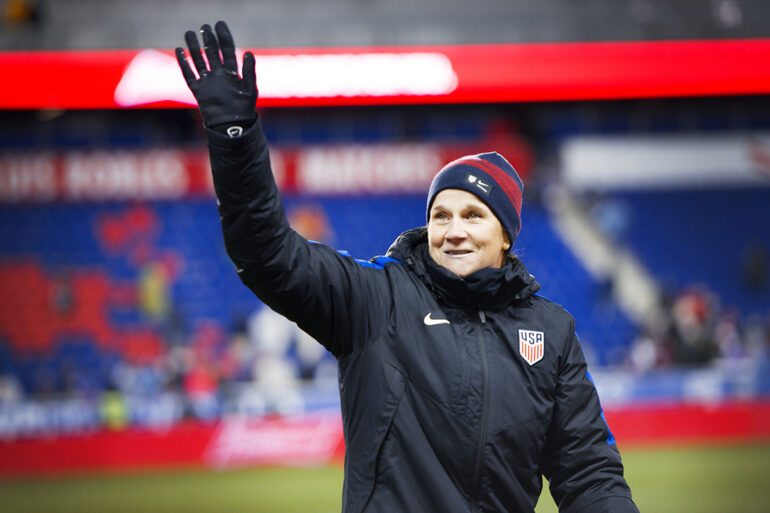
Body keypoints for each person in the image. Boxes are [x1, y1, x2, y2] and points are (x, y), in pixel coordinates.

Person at [176, 21, 639, 513]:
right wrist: (235, 136)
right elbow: (267, 255)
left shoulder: (551, 331)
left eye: (473, 215)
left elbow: (588, 472)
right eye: (441, 215)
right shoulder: (377, 299)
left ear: (506, 235)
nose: (453, 229)